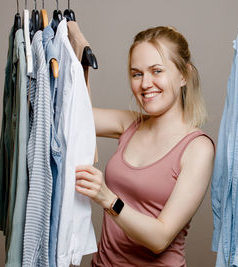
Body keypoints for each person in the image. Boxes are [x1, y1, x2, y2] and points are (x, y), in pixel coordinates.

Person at [74, 26, 216, 266]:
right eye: (136, 74)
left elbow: (160, 238)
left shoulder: (198, 149)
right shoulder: (130, 124)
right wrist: (64, 49)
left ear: (184, 75)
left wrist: (107, 198)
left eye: (156, 71)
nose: (145, 83)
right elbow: (66, 117)